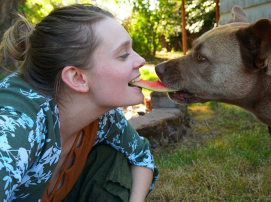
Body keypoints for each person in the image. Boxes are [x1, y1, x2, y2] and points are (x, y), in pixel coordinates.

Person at [0, 4, 158, 202]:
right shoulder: (14, 126)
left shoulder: (104, 117)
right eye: (123, 54)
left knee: (112, 157)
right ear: (77, 77)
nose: (141, 60)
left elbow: (141, 156)